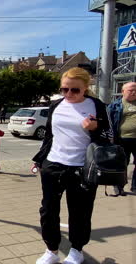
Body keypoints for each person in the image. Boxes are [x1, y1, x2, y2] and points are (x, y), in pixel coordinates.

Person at [32, 67, 112, 264]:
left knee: (80, 211)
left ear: (86, 88)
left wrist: (94, 129)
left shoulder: (97, 106)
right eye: (64, 89)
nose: (68, 94)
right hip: (53, 164)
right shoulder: (56, 106)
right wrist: (39, 159)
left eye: (74, 90)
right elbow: (49, 136)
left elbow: (109, 138)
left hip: (82, 168)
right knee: (48, 210)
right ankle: (51, 249)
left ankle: (77, 250)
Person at [107, 82, 136, 195]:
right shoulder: (115, 105)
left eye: (135, 90)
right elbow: (108, 122)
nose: (134, 92)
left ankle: (135, 187)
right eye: (130, 90)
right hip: (122, 139)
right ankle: (119, 186)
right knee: (122, 163)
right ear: (123, 92)